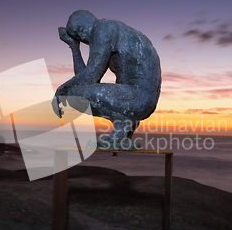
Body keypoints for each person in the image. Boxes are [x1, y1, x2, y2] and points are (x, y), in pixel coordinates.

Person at [52, 10, 161, 150]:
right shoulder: (113, 29)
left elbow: (90, 76)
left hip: (136, 98)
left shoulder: (103, 29)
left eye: (79, 39)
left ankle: (122, 124)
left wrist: (61, 90)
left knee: (74, 94)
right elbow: (86, 79)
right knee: (76, 91)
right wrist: (74, 47)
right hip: (141, 101)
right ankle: (124, 132)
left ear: (81, 31)